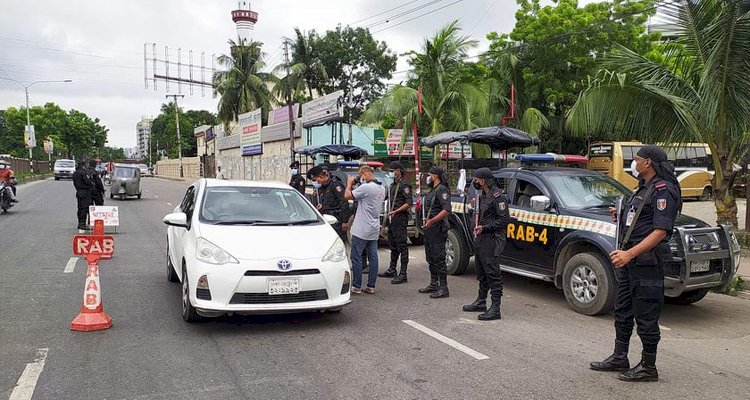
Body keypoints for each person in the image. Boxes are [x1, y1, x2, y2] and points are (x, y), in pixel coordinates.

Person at [590, 145, 681, 382]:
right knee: (622, 311)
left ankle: (648, 367)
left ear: (648, 163)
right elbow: (639, 218)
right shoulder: (643, 187)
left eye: (638, 159)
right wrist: (618, 214)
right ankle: (620, 356)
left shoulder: (664, 189)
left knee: (646, 315)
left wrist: (629, 254)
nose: (635, 163)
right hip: (631, 263)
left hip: (647, 263)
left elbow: (660, 231)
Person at [462, 168, 510, 320]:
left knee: (493, 274)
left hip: (492, 240)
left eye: (476, 180)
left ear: (482, 181)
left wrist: (485, 228)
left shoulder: (498, 197)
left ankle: (495, 308)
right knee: (481, 272)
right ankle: (481, 301)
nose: (474, 182)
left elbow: (504, 220)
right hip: (481, 240)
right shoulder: (481, 195)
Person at [345, 165, 385, 294]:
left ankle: (356, 286)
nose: (360, 178)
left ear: (365, 173)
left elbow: (347, 196)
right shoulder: (381, 187)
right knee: (373, 257)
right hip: (374, 226)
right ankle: (371, 286)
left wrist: (349, 184)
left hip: (361, 228)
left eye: (360, 175)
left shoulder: (367, 187)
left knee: (356, 256)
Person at [418, 166, 453, 298]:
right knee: (430, 257)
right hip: (429, 229)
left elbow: (446, 210)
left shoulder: (442, 190)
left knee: (439, 258)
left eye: (429, 175)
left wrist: (432, 221)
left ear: (435, 176)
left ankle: (444, 288)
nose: (428, 178)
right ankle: (434, 283)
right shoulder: (433, 190)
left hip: (438, 229)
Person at [379, 161, 413, 284]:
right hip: (391, 218)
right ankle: (392, 269)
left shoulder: (404, 185)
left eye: (393, 170)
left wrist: (396, 211)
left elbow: (409, 202)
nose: (391, 173)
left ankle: (403, 273)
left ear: (399, 171)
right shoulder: (392, 185)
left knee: (402, 246)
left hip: (399, 217)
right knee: (392, 244)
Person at [308, 166, 350, 241]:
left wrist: (345, 221)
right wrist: (321, 206)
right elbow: (325, 202)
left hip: (336, 221)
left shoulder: (335, 185)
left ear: (322, 177)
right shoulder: (322, 188)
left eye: (317, 180)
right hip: (326, 220)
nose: (317, 182)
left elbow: (343, 202)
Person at [72, 160, 95, 230]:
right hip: (85, 192)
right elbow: (87, 181)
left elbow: (75, 183)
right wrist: (92, 183)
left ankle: (80, 223)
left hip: (79, 192)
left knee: (80, 208)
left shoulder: (75, 173)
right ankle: (82, 224)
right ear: (83, 165)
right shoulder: (83, 173)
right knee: (84, 209)